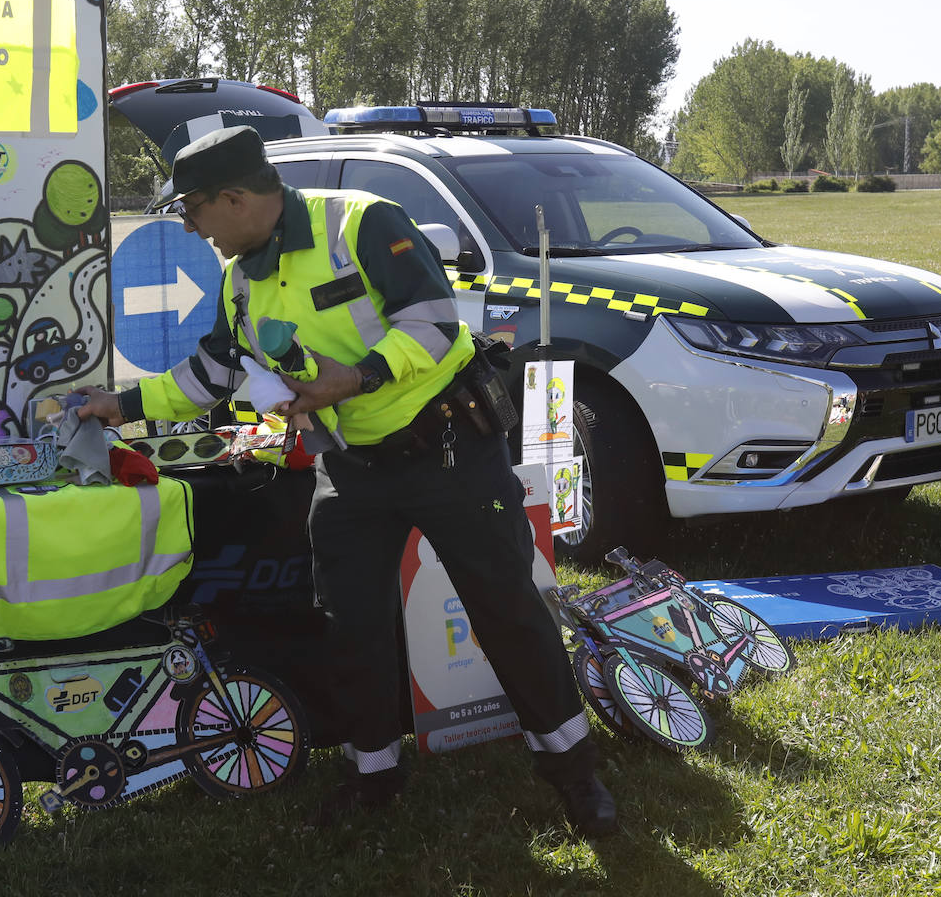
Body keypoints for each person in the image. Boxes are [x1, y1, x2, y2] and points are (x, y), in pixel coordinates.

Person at [77, 124, 616, 837]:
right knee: (351, 627)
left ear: (233, 199)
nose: (192, 227)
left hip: (450, 453)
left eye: (192, 210)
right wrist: (121, 406)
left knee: (508, 613)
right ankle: (374, 778)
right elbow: (212, 373)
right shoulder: (241, 281)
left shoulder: (361, 222)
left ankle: (577, 778)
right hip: (351, 473)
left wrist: (354, 379)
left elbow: (435, 327)